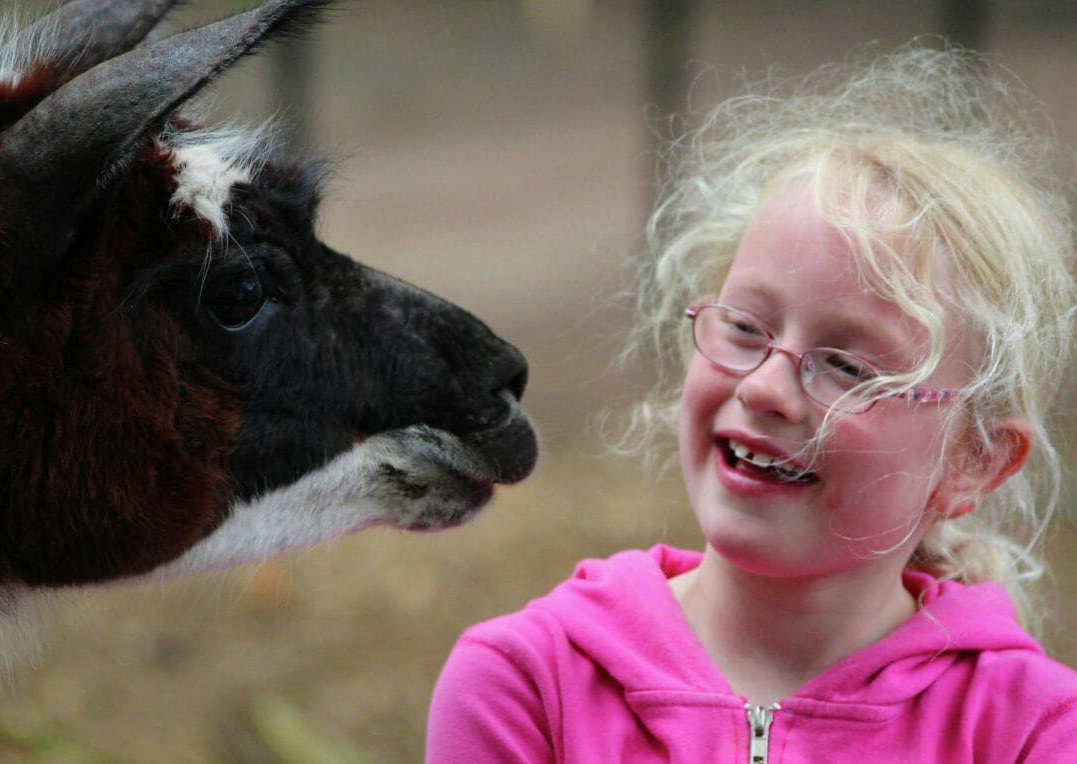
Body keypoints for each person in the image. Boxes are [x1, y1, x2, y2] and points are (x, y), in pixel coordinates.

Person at [426, 45, 1077, 762]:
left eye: (847, 366)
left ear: (974, 459)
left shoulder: (1033, 733)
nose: (763, 386)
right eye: (744, 327)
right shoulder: (526, 686)